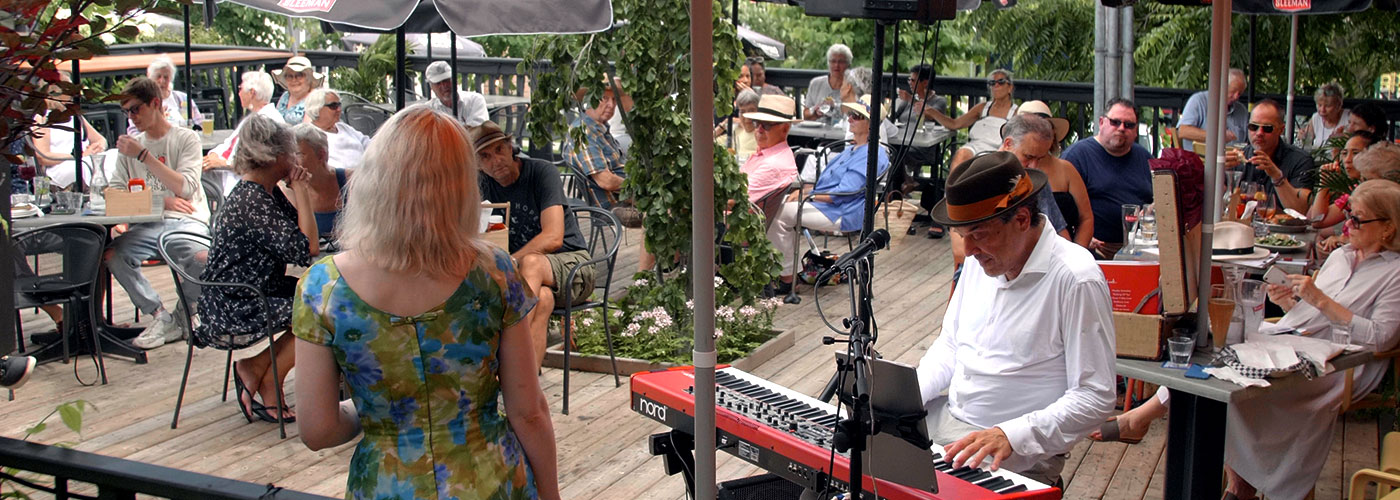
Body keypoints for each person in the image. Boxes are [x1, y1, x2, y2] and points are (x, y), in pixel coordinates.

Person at [293, 105, 561, 500]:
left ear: (374, 179)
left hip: (386, 486)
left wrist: (377, 411)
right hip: (489, 480)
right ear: (461, 186)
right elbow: (529, 412)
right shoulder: (493, 273)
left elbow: (317, 430)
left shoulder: (323, 286)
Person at [1094, 179, 1400, 500]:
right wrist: (1289, 301)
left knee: (1237, 391)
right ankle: (1239, 484)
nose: (1347, 223)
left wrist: (1321, 300)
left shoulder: (1393, 275)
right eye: (1349, 215)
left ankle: (1234, 481)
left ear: (1388, 229)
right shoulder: (1342, 257)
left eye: (1358, 219)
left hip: (1342, 366)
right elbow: (1311, 315)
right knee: (1218, 362)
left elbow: (1380, 338)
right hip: (1296, 341)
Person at [921, 151, 1116, 486]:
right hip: (947, 422)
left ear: (1022, 219)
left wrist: (1010, 435)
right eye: (962, 234)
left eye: (978, 233)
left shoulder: (1075, 277)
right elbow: (951, 344)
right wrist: (907, 396)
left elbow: (1095, 396)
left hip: (1014, 451)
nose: (967, 249)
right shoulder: (981, 259)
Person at [198, 114, 317, 423]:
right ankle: (267, 378)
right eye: (292, 152)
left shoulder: (265, 191)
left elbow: (299, 232)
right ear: (276, 155)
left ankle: (258, 369)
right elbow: (307, 249)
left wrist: (294, 189)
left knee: (327, 296)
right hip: (235, 302)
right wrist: (302, 189)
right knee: (321, 311)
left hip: (254, 289)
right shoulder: (252, 200)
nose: (295, 159)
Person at [472, 120, 593, 367]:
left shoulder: (542, 172)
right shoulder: (482, 186)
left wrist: (510, 262)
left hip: (575, 269)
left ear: (510, 147)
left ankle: (506, 358)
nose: (495, 160)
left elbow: (554, 237)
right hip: (529, 281)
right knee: (544, 299)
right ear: (477, 165)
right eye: (484, 156)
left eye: (499, 150)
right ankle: (526, 383)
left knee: (532, 263)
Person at [107, 77, 211, 350]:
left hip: (187, 220)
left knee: (203, 258)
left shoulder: (185, 138)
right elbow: (115, 197)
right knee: (112, 254)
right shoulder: (129, 147)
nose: (131, 116)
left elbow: (186, 188)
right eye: (126, 111)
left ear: (155, 103)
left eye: (135, 109)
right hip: (148, 223)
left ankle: (182, 314)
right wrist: (161, 201)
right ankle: (159, 314)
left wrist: (144, 156)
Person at [766, 95, 889, 296]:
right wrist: (804, 192)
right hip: (827, 206)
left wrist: (807, 195)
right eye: (850, 113)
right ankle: (788, 271)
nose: (849, 118)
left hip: (842, 212)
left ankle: (788, 277)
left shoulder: (871, 153)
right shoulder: (852, 148)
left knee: (778, 215)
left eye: (856, 116)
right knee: (777, 208)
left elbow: (840, 193)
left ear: (871, 124)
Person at [1062, 98, 1154, 259]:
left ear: (1135, 129)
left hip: (1139, 251)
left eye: (1129, 125)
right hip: (1094, 252)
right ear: (1101, 122)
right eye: (1115, 122)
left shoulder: (1145, 158)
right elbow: (1059, 208)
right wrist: (1080, 237)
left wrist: (1153, 208)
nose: (1121, 128)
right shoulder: (1077, 156)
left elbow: (1162, 198)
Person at [1014, 101, 1092, 247]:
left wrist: (1078, 253)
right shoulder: (1006, 174)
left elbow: (1085, 219)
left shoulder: (1065, 169)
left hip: (1063, 250)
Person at [1224, 99, 1316, 214]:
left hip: (1283, 230)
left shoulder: (1300, 160)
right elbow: (1218, 202)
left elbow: (1300, 210)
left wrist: (1277, 176)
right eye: (1253, 127)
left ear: (1281, 130)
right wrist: (1220, 172)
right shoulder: (1239, 158)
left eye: (1267, 128)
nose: (1259, 133)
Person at [892, 63, 951, 239]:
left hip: (925, 148)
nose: (909, 83)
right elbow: (894, 118)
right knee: (893, 152)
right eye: (908, 79)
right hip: (903, 146)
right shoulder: (906, 101)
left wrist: (912, 100)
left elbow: (933, 117)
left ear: (925, 82)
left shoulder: (938, 101)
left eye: (913, 79)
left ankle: (896, 204)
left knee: (895, 156)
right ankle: (906, 182)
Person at [204, 71, 284, 196]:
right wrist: (214, 155)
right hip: (228, 178)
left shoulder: (267, 122)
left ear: (252, 93)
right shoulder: (252, 118)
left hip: (245, 187)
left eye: (240, 88)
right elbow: (227, 144)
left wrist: (222, 163)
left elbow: (259, 162)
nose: (239, 93)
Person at [926, 69, 1018, 170]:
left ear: (1010, 87)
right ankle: (953, 185)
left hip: (997, 151)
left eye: (1000, 82)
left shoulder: (1016, 112)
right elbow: (955, 124)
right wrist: (932, 112)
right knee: (961, 154)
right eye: (992, 83)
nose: (996, 85)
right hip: (975, 146)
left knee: (984, 165)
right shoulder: (982, 108)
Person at [33, 71, 111, 190]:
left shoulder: (73, 115)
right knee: (85, 167)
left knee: (115, 156)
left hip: (85, 158)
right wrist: (76, 156)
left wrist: (98, 147)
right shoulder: (42, 118)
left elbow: (100, 139)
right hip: (61, 166)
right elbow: (43, 157)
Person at [739, 94, 800, 205]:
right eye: (757, 123)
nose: (759, 130)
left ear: (785, 129)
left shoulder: (773, 164)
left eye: (766, 125)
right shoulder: (770, 155)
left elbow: (736, 201)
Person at [1308, 132, 1375, 232]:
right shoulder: (1354, 189)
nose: (1347, 160)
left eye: (1355, 153)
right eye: (1344, 153)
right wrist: (1325, 182)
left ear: (1372, 156)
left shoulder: (1374, 191)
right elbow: (1317, 220)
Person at [290, 124, 347, 240]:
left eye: (298, 154)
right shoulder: (287, 192)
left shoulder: (350, 182)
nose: (291, 162)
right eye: (289, 155)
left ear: (321, 155)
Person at [1177, 68, 1248, 152]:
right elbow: (1183, 131)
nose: (1236, 97)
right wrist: (1217, 137)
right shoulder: (1199, 101)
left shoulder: (1241, 110)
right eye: (1233, 91)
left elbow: (1248, 138)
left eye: (1240, 93)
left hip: (1235, 161)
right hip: (1202, 161)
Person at [301, 89, 371, 171]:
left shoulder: (343, 127)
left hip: (366, 173)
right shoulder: (310, 135)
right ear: (317, 108)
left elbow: (368, 144)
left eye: (339, 105)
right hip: (340, 179)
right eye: (333, 106)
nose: (339, 110)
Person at [129, 57, 203, 133]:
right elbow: (133, 133)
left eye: (166, 77)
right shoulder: (141, 102)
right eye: (158, 76)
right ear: (150, 77)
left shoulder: (183, 98)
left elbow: (200, 125)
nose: (162, 81)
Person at [424, 60, 489, 127]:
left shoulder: (475, 100)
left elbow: (478, 131)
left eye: (447, 80)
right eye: (438, 83)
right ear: (431, 86)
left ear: (455, 80)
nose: (444, 85)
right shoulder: (428, 110)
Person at [802, 44, 851, 120]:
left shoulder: (853, 86)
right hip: (817, 130)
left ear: (848, 64)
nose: (836, 65)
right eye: (833, 61)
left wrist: (836, 107)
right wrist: (815, 112)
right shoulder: (816, 83)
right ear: (828, 63)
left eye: (841, 62)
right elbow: (806, 115)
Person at [1297, 82, 1351, 151]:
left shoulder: (1349, 118)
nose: (1322, 110)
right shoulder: (1316, 118)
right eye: (1319, 105)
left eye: (1328, 106)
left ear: (1339, 105)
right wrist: (1303, 137)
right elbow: (1307, 146)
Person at [271, 56, 322, 124]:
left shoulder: (314, 99)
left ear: (308, 78)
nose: (294, 80)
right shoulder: (285, 96)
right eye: (289, 76)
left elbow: (308, 130)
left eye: (299, 75)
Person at [715, 88, 761, 162]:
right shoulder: (736, 131)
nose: (746, 115)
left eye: (751, 110)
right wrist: (723, 126)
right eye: (742, 111)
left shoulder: (763, 135)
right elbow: (708, 142)